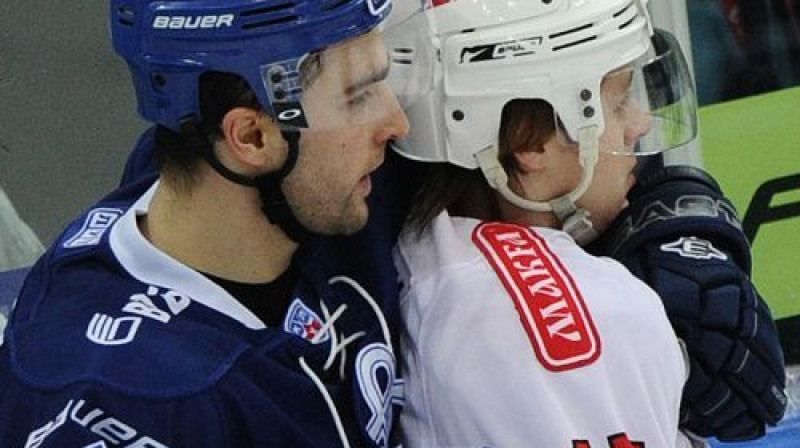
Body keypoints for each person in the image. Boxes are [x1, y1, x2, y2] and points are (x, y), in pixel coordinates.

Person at [0, 0, 417, 445]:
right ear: (252, 137)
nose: (398, 125)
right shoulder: (139, 407)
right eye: (359, 96)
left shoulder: (229, 172)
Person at [387, 0, 784, 445]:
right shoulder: (600, 316)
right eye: (617, 103)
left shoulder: (412, 251)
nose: (639, 123)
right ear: (528, 143)